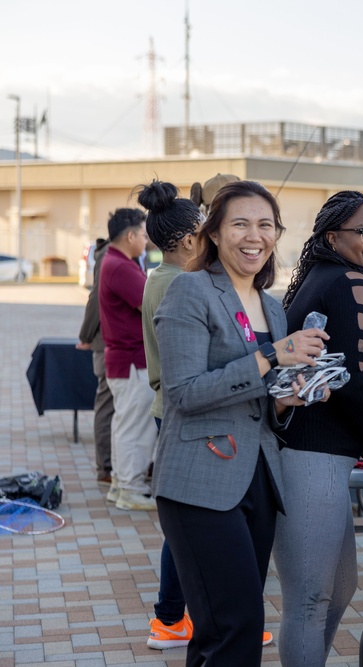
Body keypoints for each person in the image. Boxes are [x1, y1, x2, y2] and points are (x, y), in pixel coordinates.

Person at [153, 180, 329, 665]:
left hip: (258, 479)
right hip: (198, 482)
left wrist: (290, 398)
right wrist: (273, 354)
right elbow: (184, 393)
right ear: (213, 233)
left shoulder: (273, 306)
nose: (255, 235)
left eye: (266, 224)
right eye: (241, 224)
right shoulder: (190, 291)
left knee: (220, 631)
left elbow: (260, 400)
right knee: (239, 626)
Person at [276, 191, 363, 666]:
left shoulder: (326, 277)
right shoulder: (352, 284)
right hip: (309, 459)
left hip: (318, 459)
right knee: (311, 600)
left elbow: (338, 381)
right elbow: (355, 385)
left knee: (337, 592)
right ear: (332, 236)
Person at [137, 179, 203, 649]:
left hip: (172, 410)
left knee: (187, 522)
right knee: (190, 524)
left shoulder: (162, 278)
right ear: (186, 241)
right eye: (204, 229)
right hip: (184, 413)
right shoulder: (180, 284)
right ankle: (172, 619)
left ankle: (173, 618)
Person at [99, 208, 158, 511]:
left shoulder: (114, 261)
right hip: (133, 360)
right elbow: (151, 304)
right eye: (145, 235)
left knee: (126, 426)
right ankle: (131, 488)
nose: (148, 241)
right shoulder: (121, 266)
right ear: (131, 235)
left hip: (124, 360)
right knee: (136, 427)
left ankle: (123, 486)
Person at [76, 237, 114, 483]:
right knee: (107, 404)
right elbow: (95, 299)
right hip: (107, 343)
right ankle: (106, 468)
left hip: (118, 345)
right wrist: (86, 335)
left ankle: (112, 466)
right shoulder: (111, 254)